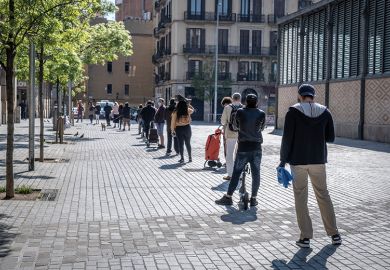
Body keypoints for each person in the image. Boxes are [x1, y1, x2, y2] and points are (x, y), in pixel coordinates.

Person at [279, 84, 341, 248]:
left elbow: (287, 139)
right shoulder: (325, 111)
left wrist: (282, 161)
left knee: (301, 197)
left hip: (298, 161)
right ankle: (334, 234)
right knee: (323, 195)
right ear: (313, 95)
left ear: (300, 96)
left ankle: (305, 238)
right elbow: (331, 138)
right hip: (318, 160)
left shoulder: (293, 112)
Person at [215, 94, 265, 207]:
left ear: (245, 102)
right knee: (256, 173)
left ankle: (228, 197)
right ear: (256, 102)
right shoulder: (261, 113)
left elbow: (236, 126)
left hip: (243, 147)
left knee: (237, 173)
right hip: (257, 147)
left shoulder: (240, 112)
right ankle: (253, 198)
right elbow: (262, 128)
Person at [220, 93, 241, 181]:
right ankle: (239, 175)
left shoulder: (227, 107)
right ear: (240, 98)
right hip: (241, 134)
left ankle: (230, 175)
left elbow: (223, 122)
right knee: (239, 155)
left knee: (229, 154)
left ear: (232, 98)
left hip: (230, 133)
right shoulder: (243, 107)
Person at [171, 99, 194, 163]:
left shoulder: (175, 112)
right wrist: (188, 104)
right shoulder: (187, 110)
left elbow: (173, 122)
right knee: (188, 143)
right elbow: (193, 110)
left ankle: (182, 158)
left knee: (181, 144)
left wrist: (172, 130)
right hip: (187, 128)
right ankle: (190, 158)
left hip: (179, 129)